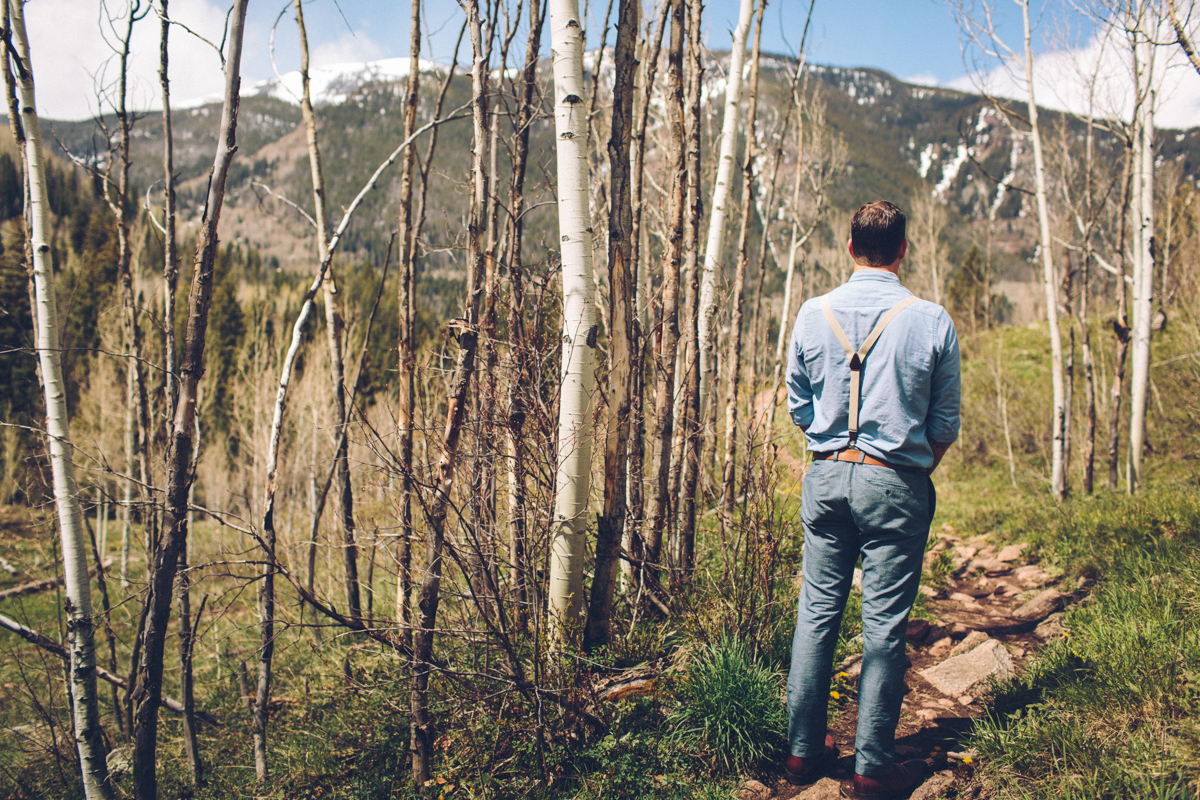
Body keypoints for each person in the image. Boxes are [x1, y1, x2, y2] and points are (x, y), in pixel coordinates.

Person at [781, 200, 960, 800]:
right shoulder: (932, 320)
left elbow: (797, 405)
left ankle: (803, 753)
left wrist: (832, 446)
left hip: (828, 478)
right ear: (903, 250)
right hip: (897, 484)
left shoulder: (812, 314)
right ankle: (873, 765)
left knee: (817, 613)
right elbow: (944, 423)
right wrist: (908, 470)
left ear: (849, 247)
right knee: (883, 626)